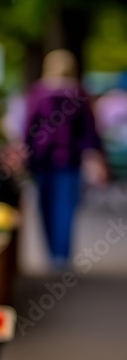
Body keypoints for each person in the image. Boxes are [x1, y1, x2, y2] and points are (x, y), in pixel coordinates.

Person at [23, 49, 108, 268]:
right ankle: (61, 256)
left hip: (43, 159)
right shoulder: (78, 92)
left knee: (46, 207)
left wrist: (26, 155)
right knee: (66, 209)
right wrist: (95, 156)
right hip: (70, 159)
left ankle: (52, 253)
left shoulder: (38, 93)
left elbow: (30, 127)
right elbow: (89, 130)